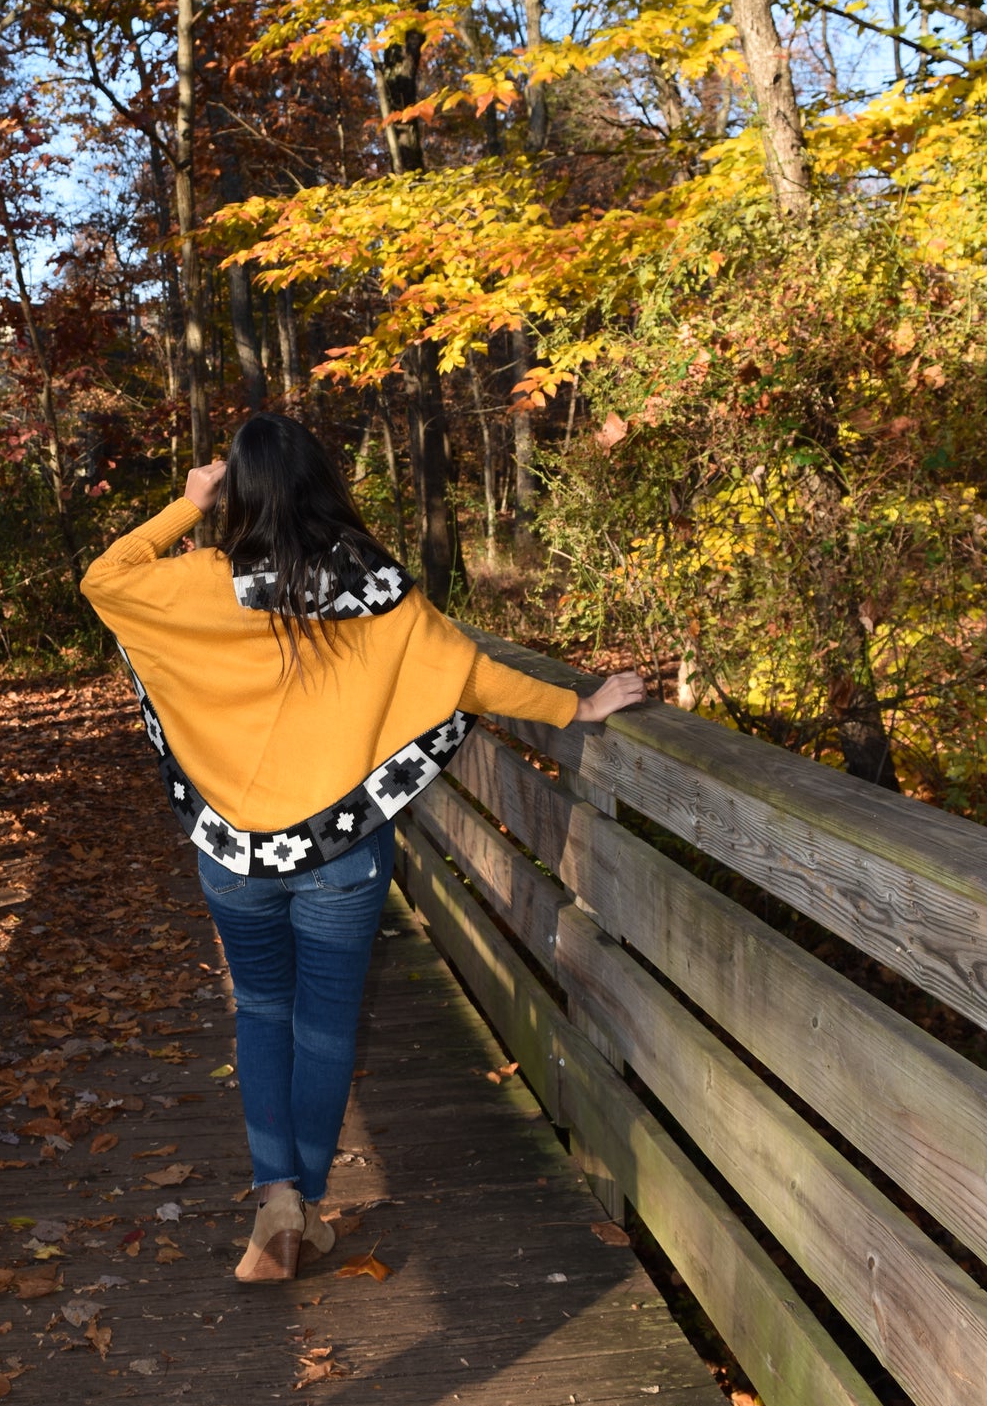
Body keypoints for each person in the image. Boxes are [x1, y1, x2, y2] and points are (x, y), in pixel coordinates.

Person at [80, 414, 644, 1282]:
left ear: (236, 490)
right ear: (321, 484)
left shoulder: (197, 585)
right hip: (339, 852)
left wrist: (185, 507)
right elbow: (466, 672)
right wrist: (578, 707)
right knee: (324, 1025)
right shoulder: (373, 589)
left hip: (231, 853)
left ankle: (276, 1198)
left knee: (263, 1011)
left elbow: (105, 579)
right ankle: (298, 1204)